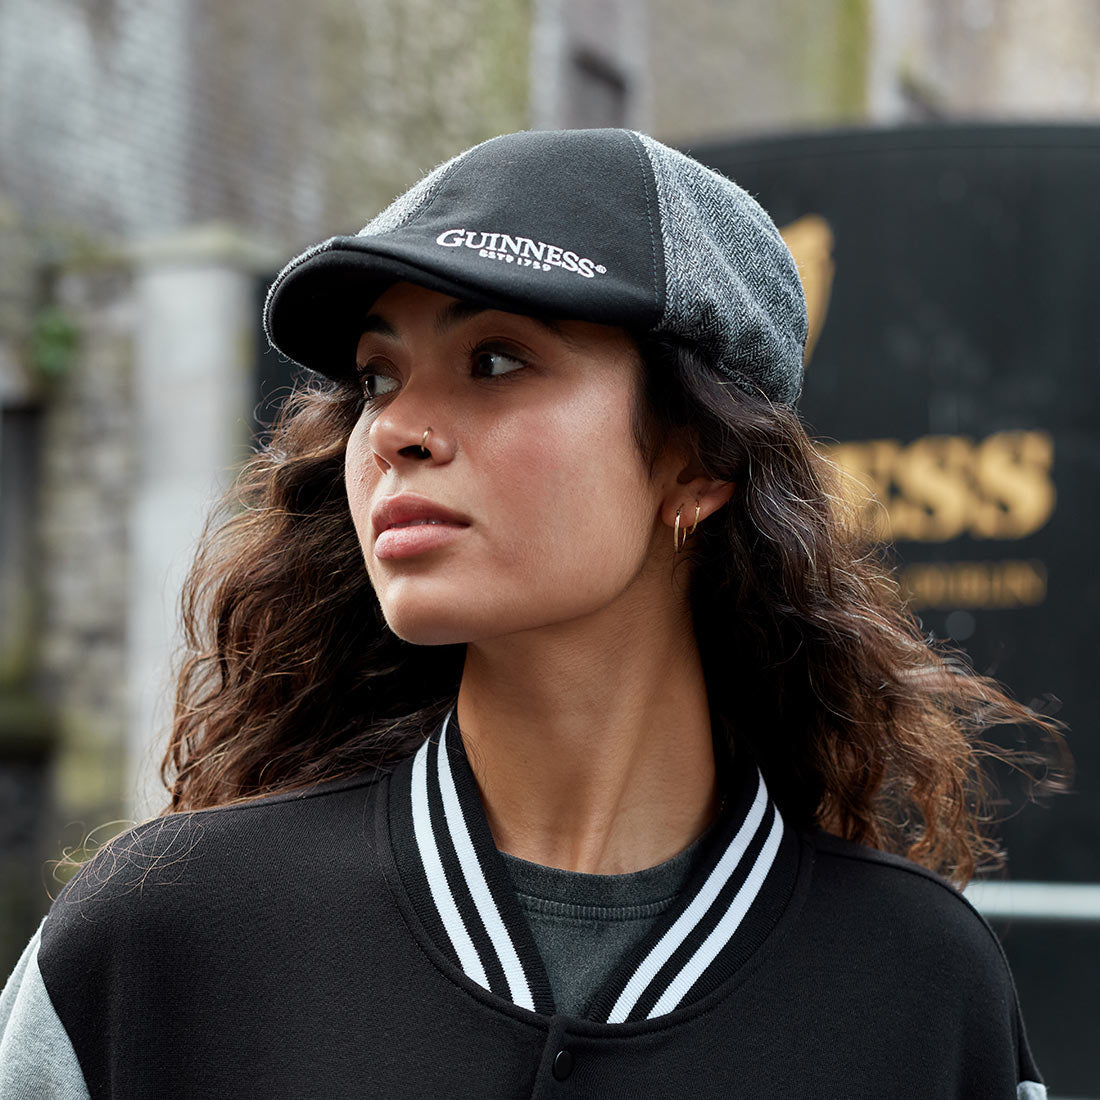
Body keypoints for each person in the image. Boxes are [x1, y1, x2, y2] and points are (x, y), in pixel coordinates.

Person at [0, 128, 1056, 1098]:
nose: (395, 431)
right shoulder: (156, 943)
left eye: (494, 359)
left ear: (698, 461)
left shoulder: (917, 984)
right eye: (376, 375)